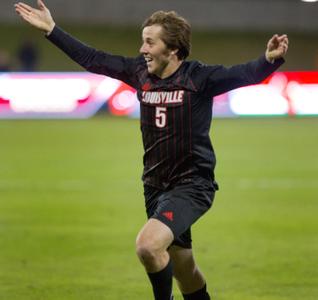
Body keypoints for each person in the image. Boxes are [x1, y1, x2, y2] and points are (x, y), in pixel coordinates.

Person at [15, 1, 289, 299]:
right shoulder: (139, 73)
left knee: (148, 245)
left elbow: (244, 73)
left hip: (192, 185)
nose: (142, 49)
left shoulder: (198, 78)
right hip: (155, 187)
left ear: (172, 49)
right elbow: (94, 59)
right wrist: (53, 30)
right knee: (186, 271)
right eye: (142, 41)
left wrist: (269, 60)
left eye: (150, 41)